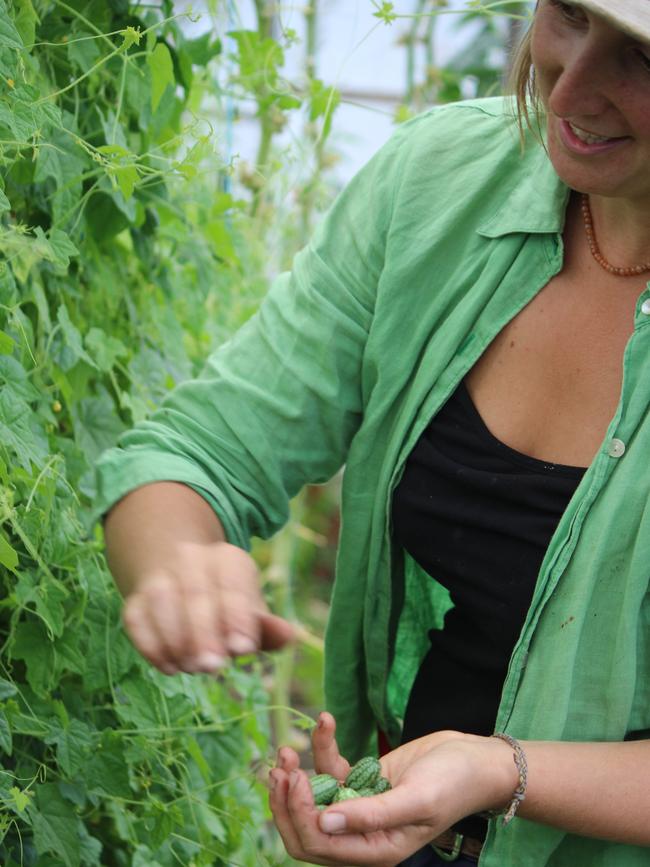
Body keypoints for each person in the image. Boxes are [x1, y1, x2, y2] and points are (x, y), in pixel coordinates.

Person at [95, 1, 650, 864]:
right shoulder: (441, 184)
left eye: (644, 60)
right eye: (569, 13)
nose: (570, 84)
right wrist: (175, 561)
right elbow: (195, 453)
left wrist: (504, 771)